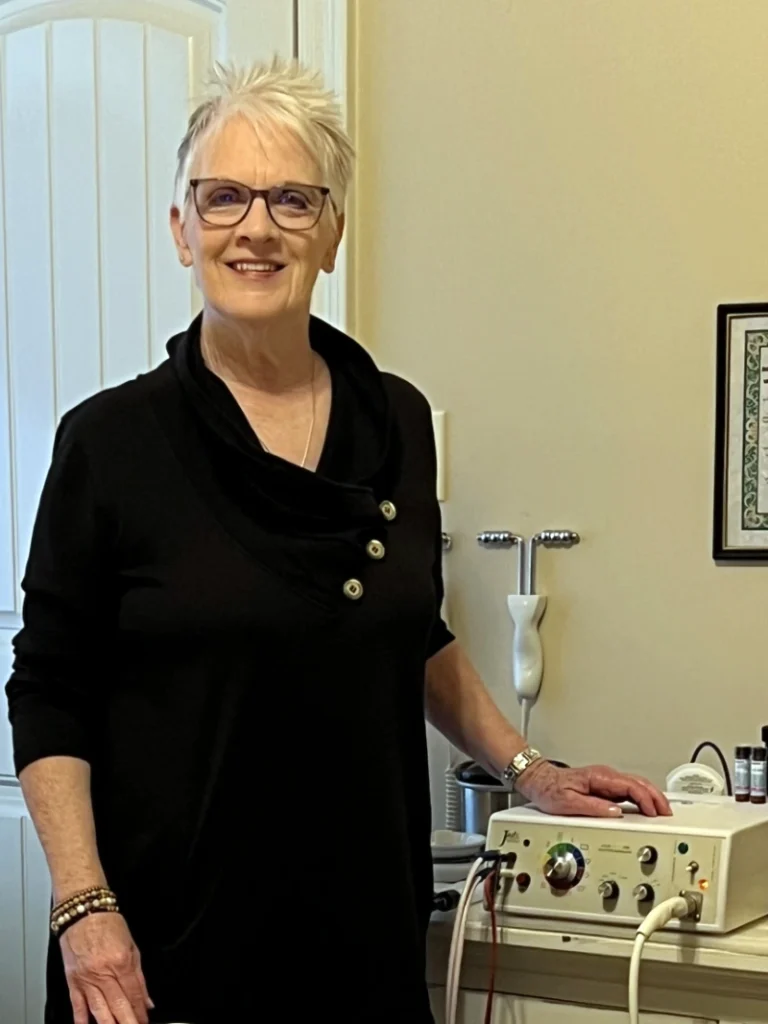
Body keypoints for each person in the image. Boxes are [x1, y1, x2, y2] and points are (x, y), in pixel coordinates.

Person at [5, 59, 670, 1024]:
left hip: (361, 931)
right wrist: (83, 905)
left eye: (292, 199)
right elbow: (49, 686)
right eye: (224, 196)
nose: (257, 227)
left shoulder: (393, 420)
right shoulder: (111, 443)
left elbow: (414, 630)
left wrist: (531, 771)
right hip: (166, 944)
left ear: (333, 231)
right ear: (181, 227)